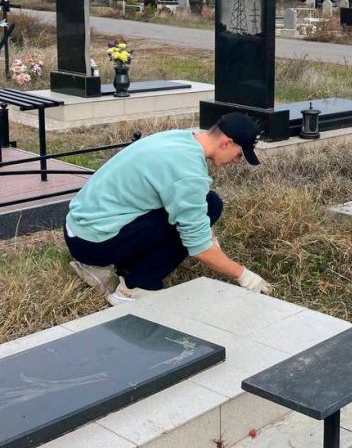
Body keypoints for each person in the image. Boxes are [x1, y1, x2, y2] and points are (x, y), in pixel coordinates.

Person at [64, 113, 273, 305]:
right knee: (203, 215)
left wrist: (204, 229)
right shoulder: (187, 171)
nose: (237, 162)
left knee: (209, 203)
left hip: (79, 228)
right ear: (226, 143)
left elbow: (182, 198)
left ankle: (108, 268)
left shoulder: (181, 138)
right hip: (92, 242)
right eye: (239, 155)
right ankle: (135, 287)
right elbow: (199, 248)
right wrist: (244, 276)